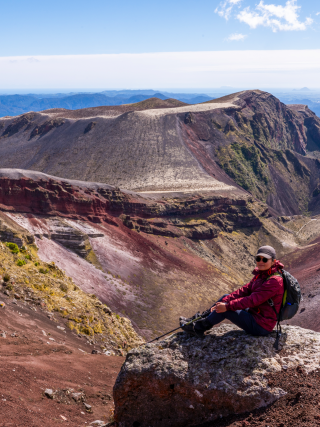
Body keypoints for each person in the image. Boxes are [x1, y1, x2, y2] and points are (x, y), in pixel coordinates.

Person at [180, 245, 284, 337]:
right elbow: (244, 290)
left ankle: (198, 328)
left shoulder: (274, 280)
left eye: (265, 259)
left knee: (227, 310)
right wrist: (223, 302)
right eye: (258, 258)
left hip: (261, 325)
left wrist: (227, 306)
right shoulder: (262, 274)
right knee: (226, 296)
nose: (261, 262)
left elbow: (252, 300)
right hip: (255, 314)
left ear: (273, 261)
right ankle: (201, 318)